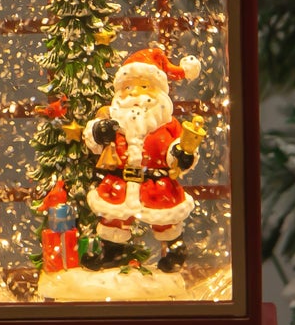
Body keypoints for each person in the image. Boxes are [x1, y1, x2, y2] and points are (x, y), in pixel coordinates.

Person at [82, 46, 206, 271]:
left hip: (156, 183)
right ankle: (112, 253)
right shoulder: (113, 119)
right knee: (113, 219)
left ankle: (174, 251)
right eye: (127, 87)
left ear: (158, 92)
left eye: (143, 86)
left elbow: (176, 149)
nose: (134, 94)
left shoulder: (167, 124)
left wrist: (182, 155)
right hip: (119, 182)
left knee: (166, 220)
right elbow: (92, 139)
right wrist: (100, 131)